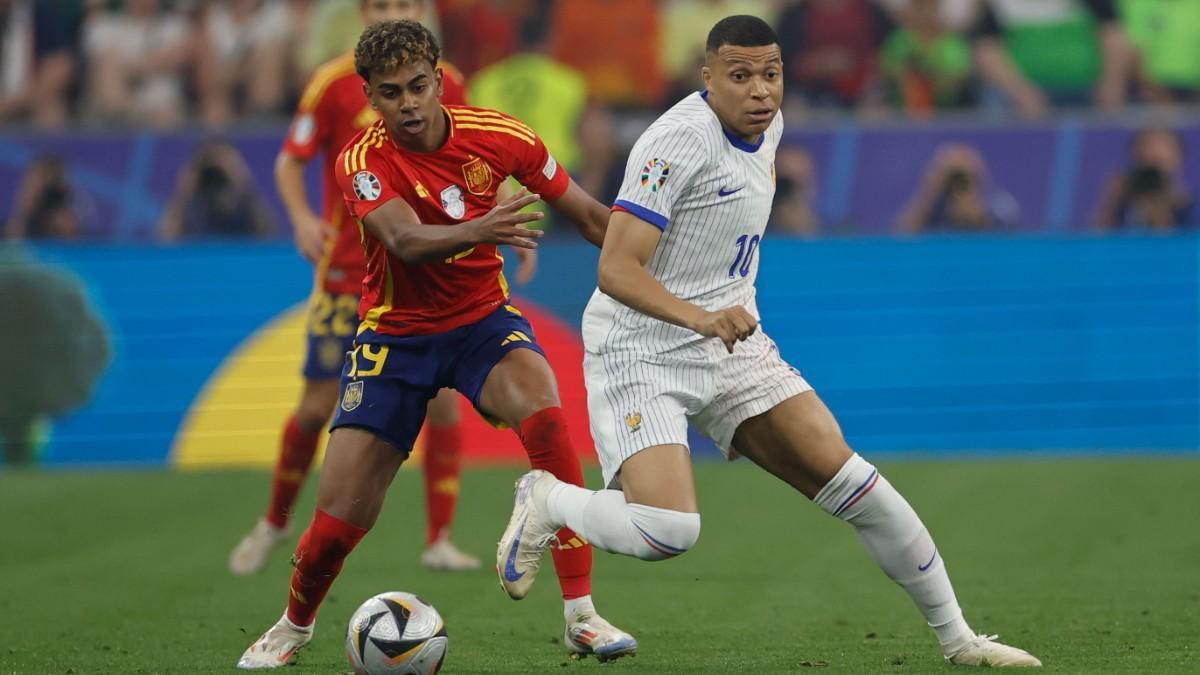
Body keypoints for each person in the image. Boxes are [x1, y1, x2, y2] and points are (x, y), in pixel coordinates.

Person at [497, 15, 1042, 668]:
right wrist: (698, 316)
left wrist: (716, 316)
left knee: (858, 484)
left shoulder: (769, 123)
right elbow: (615, 269)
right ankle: (548, 498)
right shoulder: (673, 143)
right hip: (640, 347)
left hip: (733, 343)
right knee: (668, 531)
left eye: (771, 74)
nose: (760, 91)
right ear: (707, 77)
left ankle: (961, 642)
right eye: (741, 75)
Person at [236, 19, 635, 669]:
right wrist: (487, 225)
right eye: (391, 93)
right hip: (396, 336)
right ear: (371, 95)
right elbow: (403, 241)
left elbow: (590, 216)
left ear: (438, 77)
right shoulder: (361, 161)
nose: (409, 104)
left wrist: (659, 266)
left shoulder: (501, 137)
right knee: (337, 524)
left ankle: (583, 615)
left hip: (481, 323)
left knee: (547, 411)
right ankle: (294, 625)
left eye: (419, 86)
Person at [228, 0, 482, 578]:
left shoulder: (451, 85)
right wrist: (299, 217)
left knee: (441, 405)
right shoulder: (333, 84)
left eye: (407, 4)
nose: (396, 12)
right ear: (364, 12)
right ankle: (275, 519)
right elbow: (290, 162)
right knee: (317, 406)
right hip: (348, 274)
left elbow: (474, 160)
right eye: (384, 5)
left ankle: (439, 538)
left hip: (425, 274)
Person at [159, 140, 276, 240]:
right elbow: (166, 240)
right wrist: (181, 193)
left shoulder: (243, 204)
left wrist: (247, 186)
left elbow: (269, 235)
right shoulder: (193, 205)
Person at [1095, 128, 1194, 231]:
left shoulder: (1187, 206)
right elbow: (1097, 239)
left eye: (1158, 160)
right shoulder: (1123, 202)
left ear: (1178, 159)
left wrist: (1164, 210)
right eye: (1145, 158)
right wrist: (1111, 202)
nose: (1152, 176)